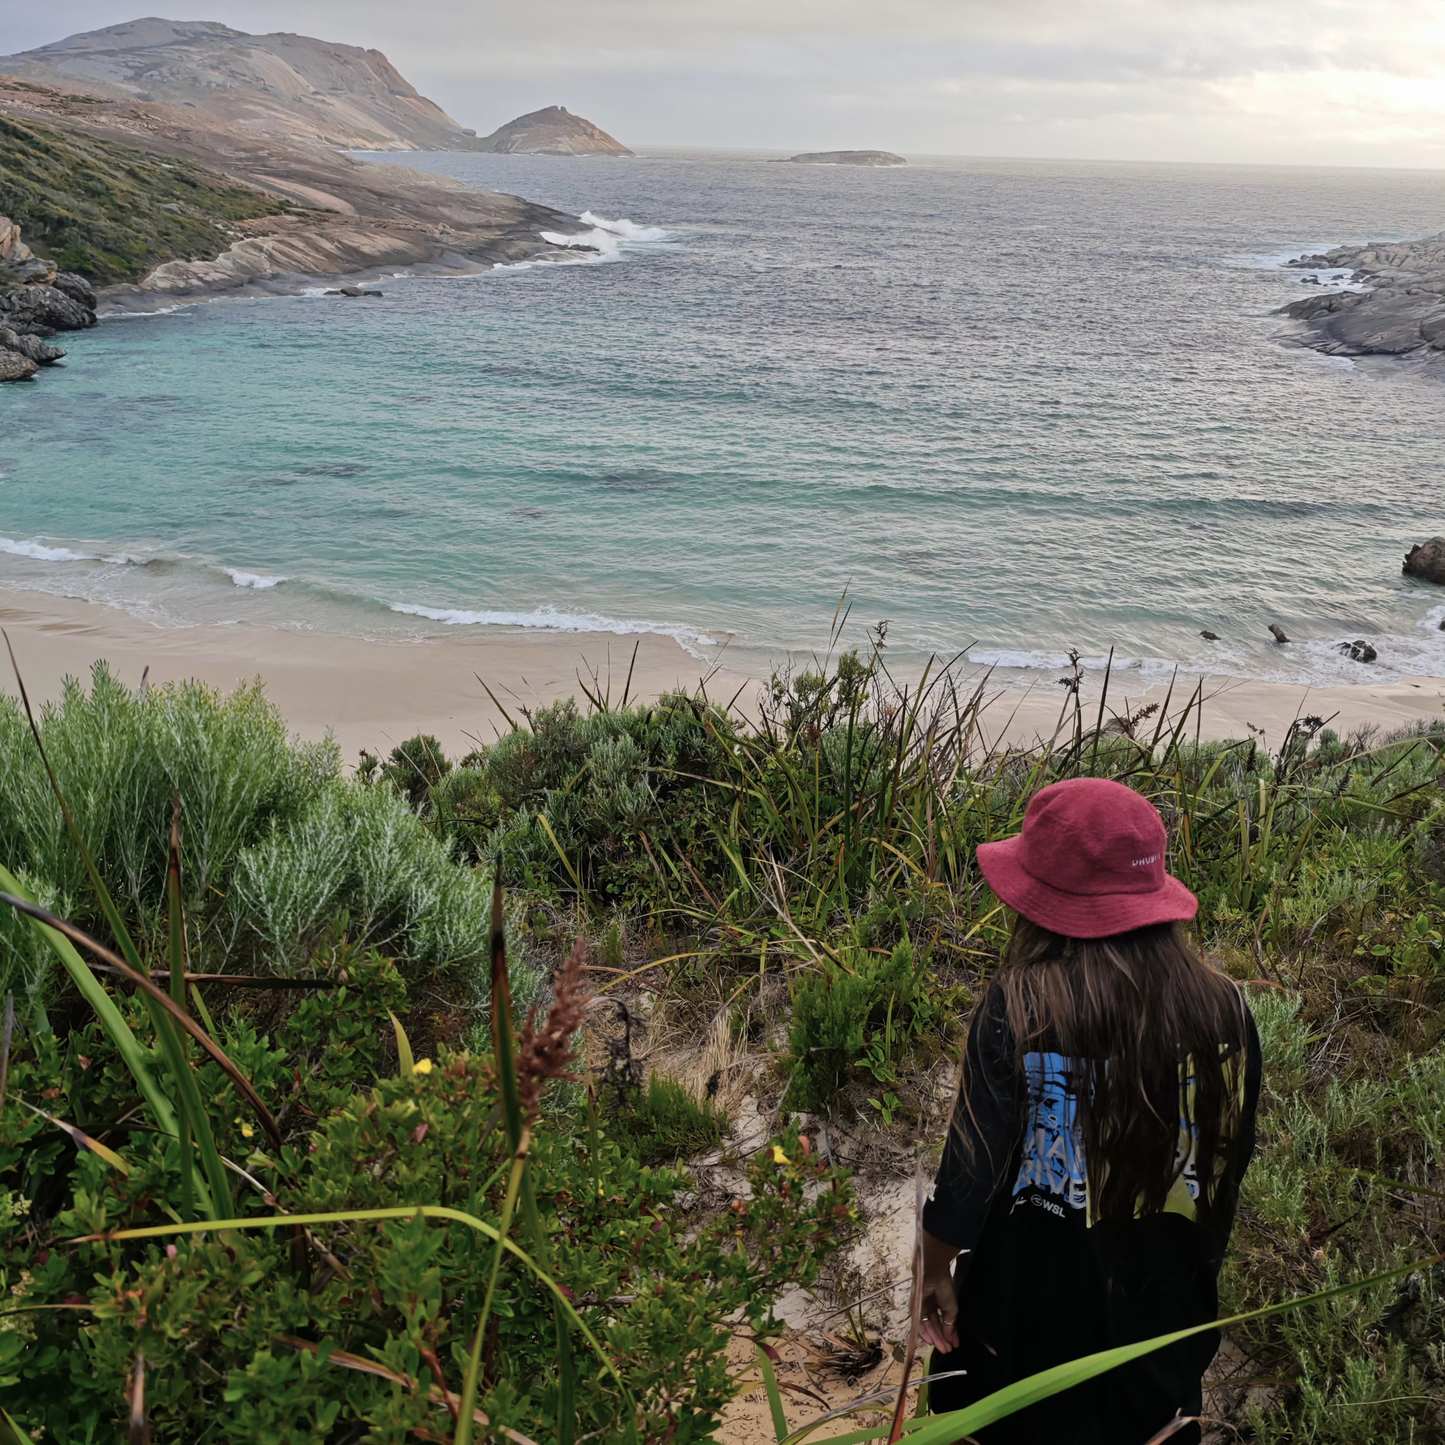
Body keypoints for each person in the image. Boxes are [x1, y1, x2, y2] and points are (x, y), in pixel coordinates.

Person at [919, 777, 1261, 1445]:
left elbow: (968, 1177)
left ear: (1038, 902)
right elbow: (1223, 1170)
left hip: (1017, 1324)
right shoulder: (1226, 1010)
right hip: (1159, 1324)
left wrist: (934, 1267)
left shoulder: (1017, 1004)